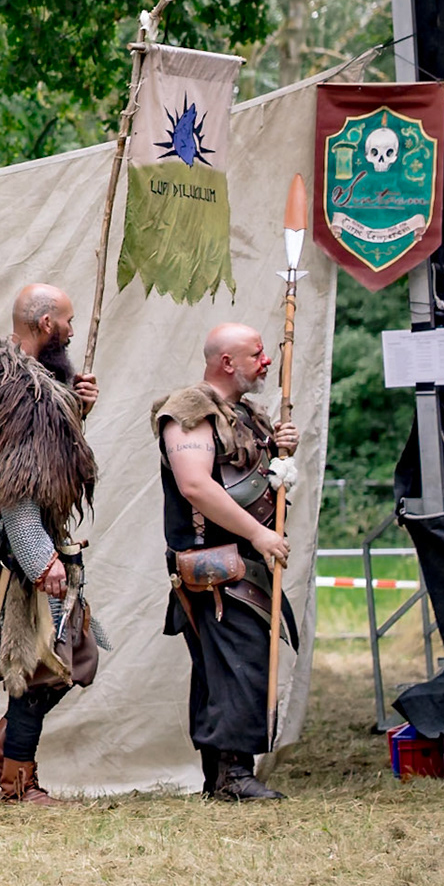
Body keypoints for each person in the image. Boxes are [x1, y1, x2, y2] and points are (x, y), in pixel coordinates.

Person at [0, 284, 101, 805]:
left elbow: (47, 460)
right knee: (42, 665)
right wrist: (40, 559)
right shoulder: (16, 390)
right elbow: (15, 486)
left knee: (73, 654)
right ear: (46, 322)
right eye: (68, 321)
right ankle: (17, 780)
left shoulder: (38, 386)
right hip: (19, 546)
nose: (73, 331)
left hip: (35, 541)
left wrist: (75, 406)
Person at [153, 323, 299, 801]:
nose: (267, 361)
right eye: (256, 353)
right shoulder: (188, 411)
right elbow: (195, 485)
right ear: (226, 362)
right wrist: (259, 532)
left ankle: (222, 777)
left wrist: (279, 451)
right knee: (238, 665)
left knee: (230, 667)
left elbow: (246, 474)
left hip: (244, 563)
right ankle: (233, 777)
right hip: (215, 565)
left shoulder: (244, 414)